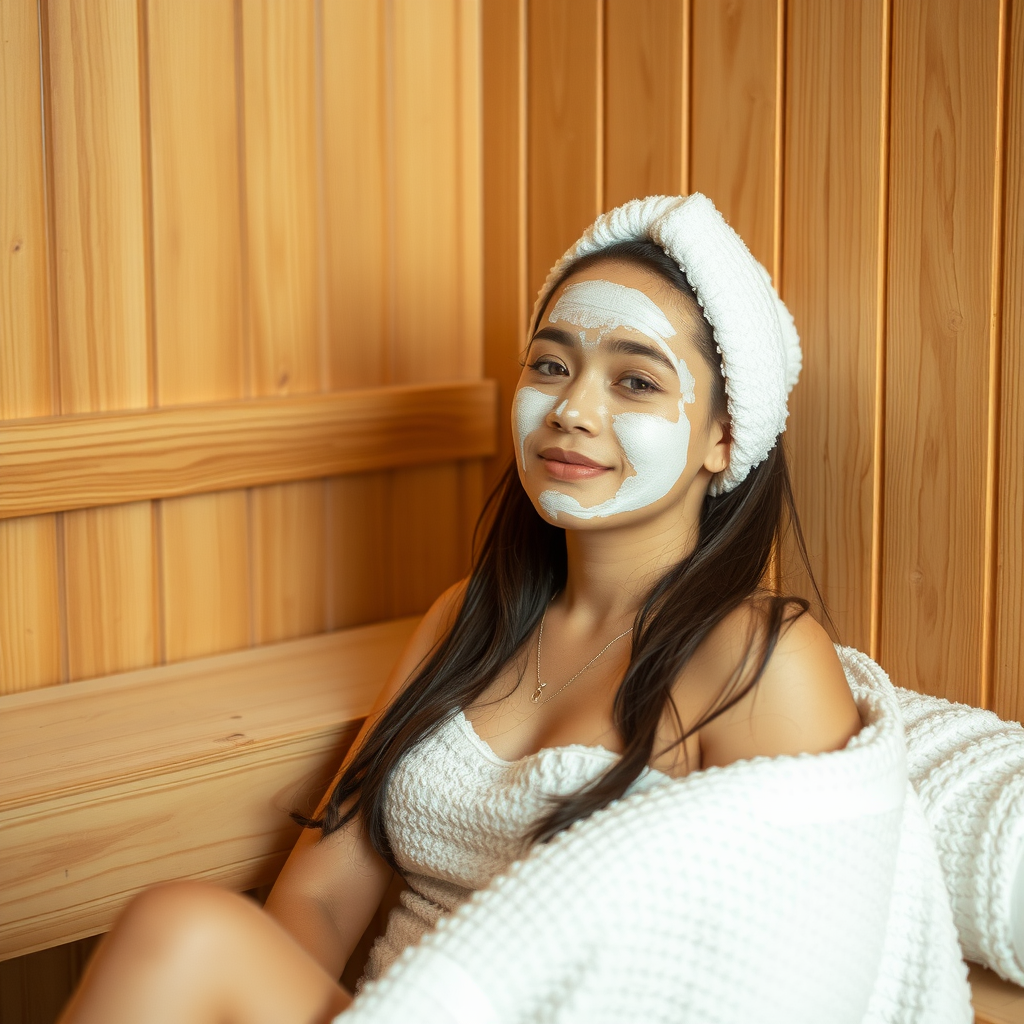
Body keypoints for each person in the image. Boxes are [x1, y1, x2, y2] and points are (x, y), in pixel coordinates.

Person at [58, 194, 929, 1024]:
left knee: (183, 926)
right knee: (186, 931)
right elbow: (321, 896)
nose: (572, 411)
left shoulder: (757, 660)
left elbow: (797, 976)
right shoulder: (465, 619)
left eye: (634, 383)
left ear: (723, 437)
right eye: (551, 366)